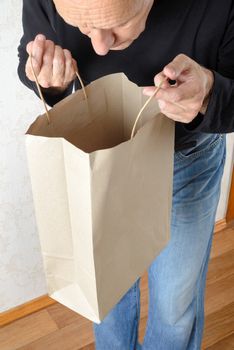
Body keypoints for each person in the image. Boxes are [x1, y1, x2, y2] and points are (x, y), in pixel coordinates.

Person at [17, 1, 234, 349]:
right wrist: (48, 78)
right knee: (105, 295)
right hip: (97, 167)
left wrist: (209, 94)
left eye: (117, 24)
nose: (99, 46)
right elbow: (28, 53)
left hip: (186, 158)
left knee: (175, 304)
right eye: (83, 27)